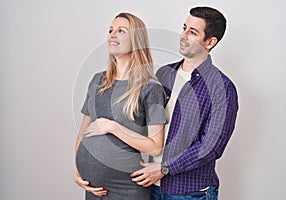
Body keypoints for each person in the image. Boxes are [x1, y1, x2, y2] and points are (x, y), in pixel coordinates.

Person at [131, 6, 239, 200]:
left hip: (190, 192)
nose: (183, 35)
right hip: (149, 186)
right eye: (184, 28)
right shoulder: (163, 74)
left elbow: (211, 146)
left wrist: (164, 169)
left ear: (210, 42)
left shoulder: (222, 88)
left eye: (193, 32)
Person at [74, 12, 167, 200]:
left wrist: (113, 127)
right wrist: (77, 170)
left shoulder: (150, 88)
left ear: (136, 40)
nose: (112, 35)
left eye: (121, 31)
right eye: (110, 30)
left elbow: (155, 148)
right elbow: (83, 131)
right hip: (93, 188)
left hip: (127, 188)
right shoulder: (97, 81)